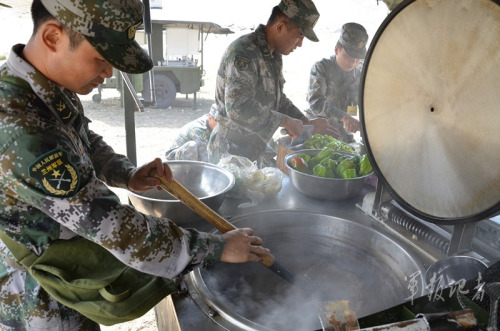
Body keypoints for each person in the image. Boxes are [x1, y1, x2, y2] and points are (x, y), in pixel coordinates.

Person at [0, 0, 271, 329]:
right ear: (53, 37)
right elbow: (114, 227)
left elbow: (82, 136)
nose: (108, 72)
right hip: (38, 294)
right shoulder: (21, 130)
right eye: (100, 58)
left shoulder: (44, 87)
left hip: (69, 263)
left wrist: (125, 174)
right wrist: (214, 247)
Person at [207, 0, 339, 167]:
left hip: (254, 146)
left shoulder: (273, 55)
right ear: (280, 27)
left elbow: (277, 98)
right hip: (230, 150)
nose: (300, 44)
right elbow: (238, 107)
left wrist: (305, 121)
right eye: (299, 36)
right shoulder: (244, 52)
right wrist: (285, 121)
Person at [306, 22, 369, 143]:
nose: (353, 61)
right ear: (336, 50)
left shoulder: (362, 74)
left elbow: (367, 104)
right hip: (319, 130)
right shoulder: (321, 68)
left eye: (358, 57)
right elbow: (316, 103)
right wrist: (344, 117)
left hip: (342, 133)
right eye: (349, 55)